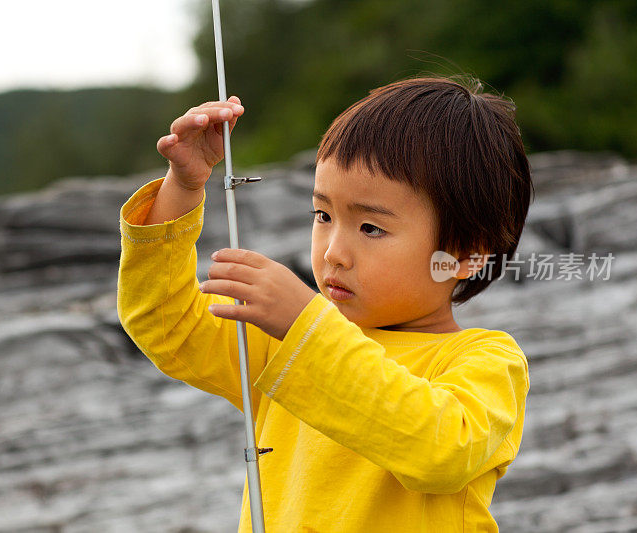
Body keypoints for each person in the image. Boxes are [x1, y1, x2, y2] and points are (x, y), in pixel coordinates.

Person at [117, 76, 533, 532]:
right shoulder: (283, 344)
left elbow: (441, 451)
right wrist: (183, 186)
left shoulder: (486, 361)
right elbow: (163, 321)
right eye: (323, 215)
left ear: (465, 253)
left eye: (371, 228)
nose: (333, 250)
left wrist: (307, 326)